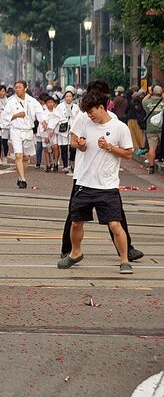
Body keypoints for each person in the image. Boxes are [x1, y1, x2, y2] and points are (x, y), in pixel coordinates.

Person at [58, 88, 135, 274]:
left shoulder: (119, 127)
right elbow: (75, 143)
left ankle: (124, 259)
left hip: (107, 186)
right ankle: (75, 252)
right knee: (76, 222)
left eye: (91, 112)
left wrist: (109, 147)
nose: (89, 116)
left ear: (101, 108)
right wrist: (81, 145)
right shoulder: (86, 123)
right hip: (84, 183)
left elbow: (128, 153)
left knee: (115, 224)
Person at [3, 80, 42, 189]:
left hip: (28, 131)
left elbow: (39, 112)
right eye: (16, 87)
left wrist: (43, 121)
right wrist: (16, 115)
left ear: (25, 88)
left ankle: (20, 176)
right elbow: (4, 117)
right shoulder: (10, 102)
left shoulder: (32, 101)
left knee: (25, 157)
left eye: (19, 87)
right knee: (18, 155)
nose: (17, 89)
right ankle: (23, 180)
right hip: (16, 130)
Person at [55, 87, 76, 172]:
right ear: (64, 97)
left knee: (73, 148)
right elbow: (56, 117)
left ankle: (72, 162)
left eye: (70, 96)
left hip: (72, 130)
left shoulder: (76, 107)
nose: (68, 98)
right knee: (63, 148)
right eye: (67, 96)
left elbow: (78, 118)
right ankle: (65, 165)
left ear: (72, 97)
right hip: (63, 129)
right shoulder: (60, 107)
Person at [143, 86, 163, 174]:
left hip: (150, 128)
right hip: (162, 128)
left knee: (152, 148)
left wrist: (150, 92)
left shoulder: (147, 102)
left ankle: (151, 166)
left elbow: (144, 99)